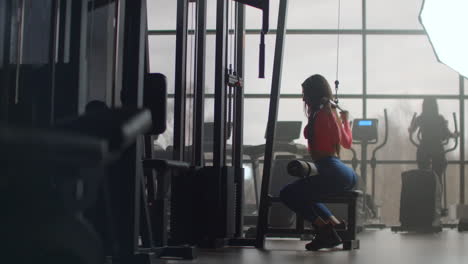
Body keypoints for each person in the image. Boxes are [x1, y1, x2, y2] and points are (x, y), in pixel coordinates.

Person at [279, 74, 357, 251]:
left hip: (332, 169)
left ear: (314, 93)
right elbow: (347, 142)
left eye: (305, 92)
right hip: (338, 171)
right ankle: (334, 225)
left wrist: (339, 120)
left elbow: (342, 141)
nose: (303, 97)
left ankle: (324, 230)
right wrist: (344, 121)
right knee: (306, 195)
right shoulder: (324, 112)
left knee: (287, 194)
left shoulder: (324, 113)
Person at [408, 97, 458, 180]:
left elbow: (411, 130)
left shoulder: (421, 118)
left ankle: (426, 187)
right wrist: (455, 135)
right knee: (438, 175)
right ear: (435, 106)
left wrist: (410, 127)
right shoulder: (439, 118)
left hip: (424, 148)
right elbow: (447, 133)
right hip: (437, 148)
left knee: (423, 173)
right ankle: (438, 187)